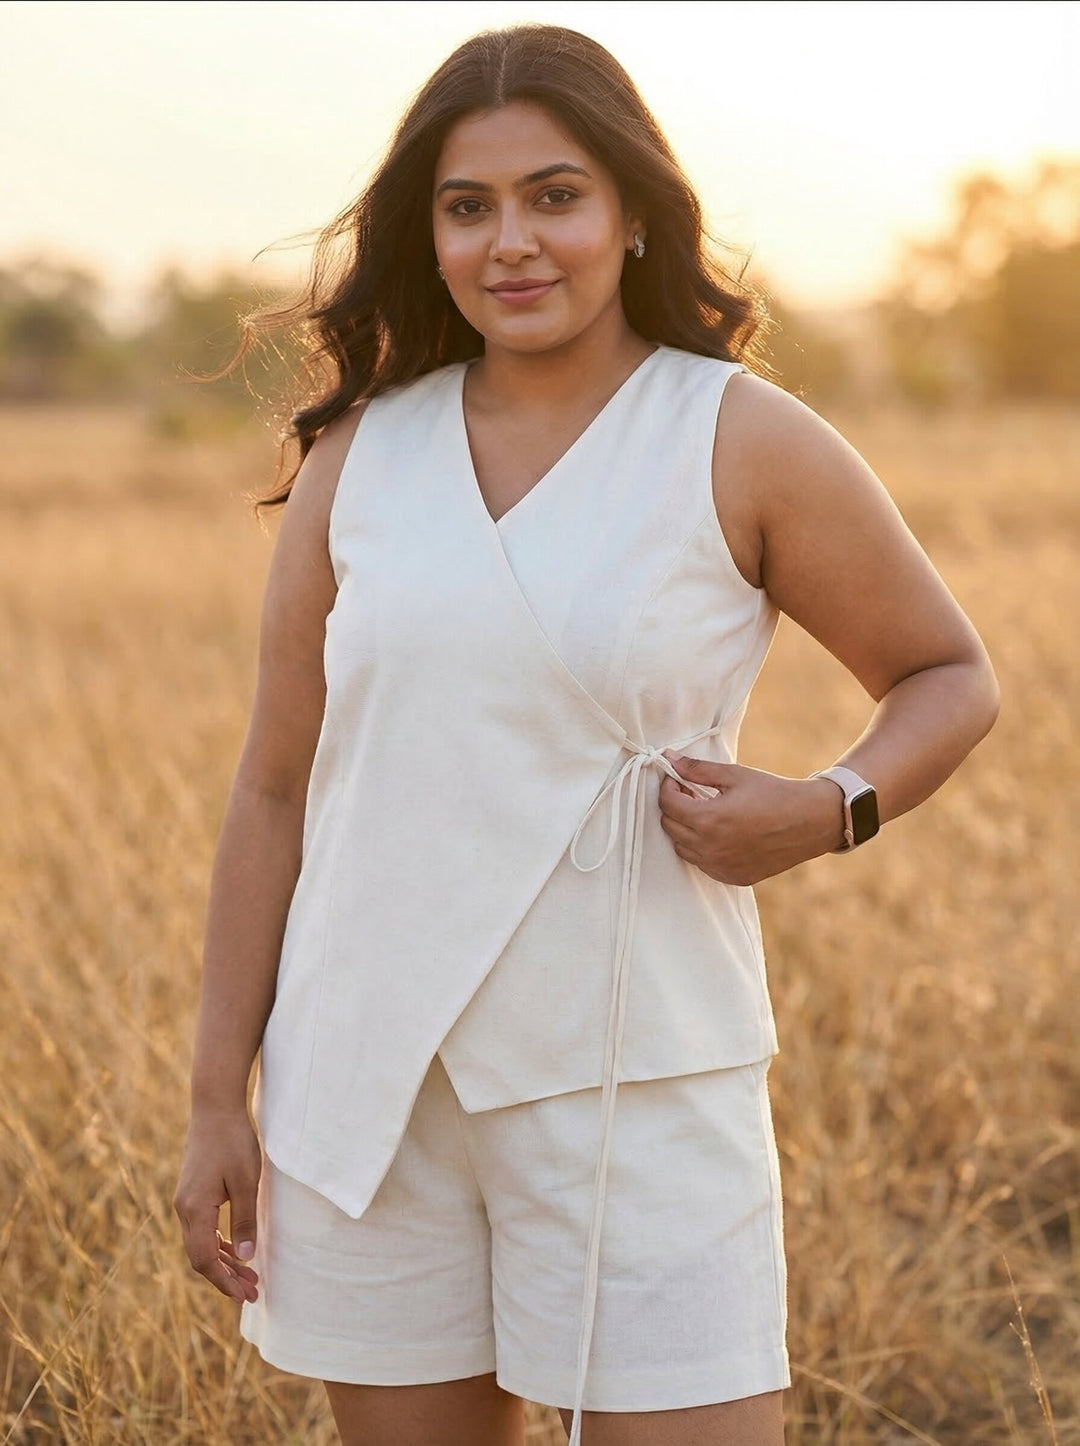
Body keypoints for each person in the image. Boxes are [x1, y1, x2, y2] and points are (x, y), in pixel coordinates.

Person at [173, 22, 999, 1446]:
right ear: (428, 236)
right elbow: (273, 790)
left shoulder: (736, 434)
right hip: (369, 1085)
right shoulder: (359, 457)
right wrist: (213, 1100)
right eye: (468, 205)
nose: (512, 241)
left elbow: (949, 672)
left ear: (632, 215)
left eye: (554, 195)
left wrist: (830, 805)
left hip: (642, 1066)